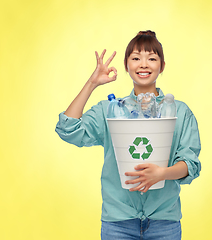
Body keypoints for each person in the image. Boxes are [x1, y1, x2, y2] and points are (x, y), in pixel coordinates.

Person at [55, 30, 201, 240]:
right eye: (135, 58)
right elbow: (68, 129)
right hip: (118, 223)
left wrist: (161, 174)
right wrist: (92, 83)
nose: (143, 64)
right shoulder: (110, 109)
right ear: (126, 65)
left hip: (164, 222)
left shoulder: (180, 112)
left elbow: (190, 164)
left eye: (151, 58)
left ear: (162, 66)